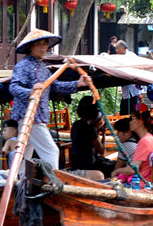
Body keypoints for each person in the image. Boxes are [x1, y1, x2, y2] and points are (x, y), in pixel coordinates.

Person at [9, 29, 91, 172]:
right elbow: (14, 87)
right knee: (51, 151)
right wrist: (31, 92)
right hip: (29, 116)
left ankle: (19, 180)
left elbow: (55, 86)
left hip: (37, 116)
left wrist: (77, 84)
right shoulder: (23, 66)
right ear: (31, 47)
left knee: (24, 153)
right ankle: (54, 182)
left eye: (44, 44)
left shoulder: (42, 67)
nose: (42, 48)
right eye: (38, 45)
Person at [69, 96, 116, 178]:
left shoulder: (76, 125)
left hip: (76, 163)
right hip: (89, 165)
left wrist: (97, 131)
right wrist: (103, 134)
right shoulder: (90, 128)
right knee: (116, 166)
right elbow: (102, 151)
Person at [116, 108, 153, 185]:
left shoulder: (144, 141)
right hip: (146, 181)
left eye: (131, 118)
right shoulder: (151, 138)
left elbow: (132, 170)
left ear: (139, 121)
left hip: (140, 185)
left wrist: (116, 171)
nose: (129, 122)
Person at [116, 40, 142, 114]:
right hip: (127, 90)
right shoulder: (121, 57)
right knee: (124, 110)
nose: (116, 51)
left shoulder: (130, 56)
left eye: (117, 49)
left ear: (123, 48)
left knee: (132, 111)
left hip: (132, 89)